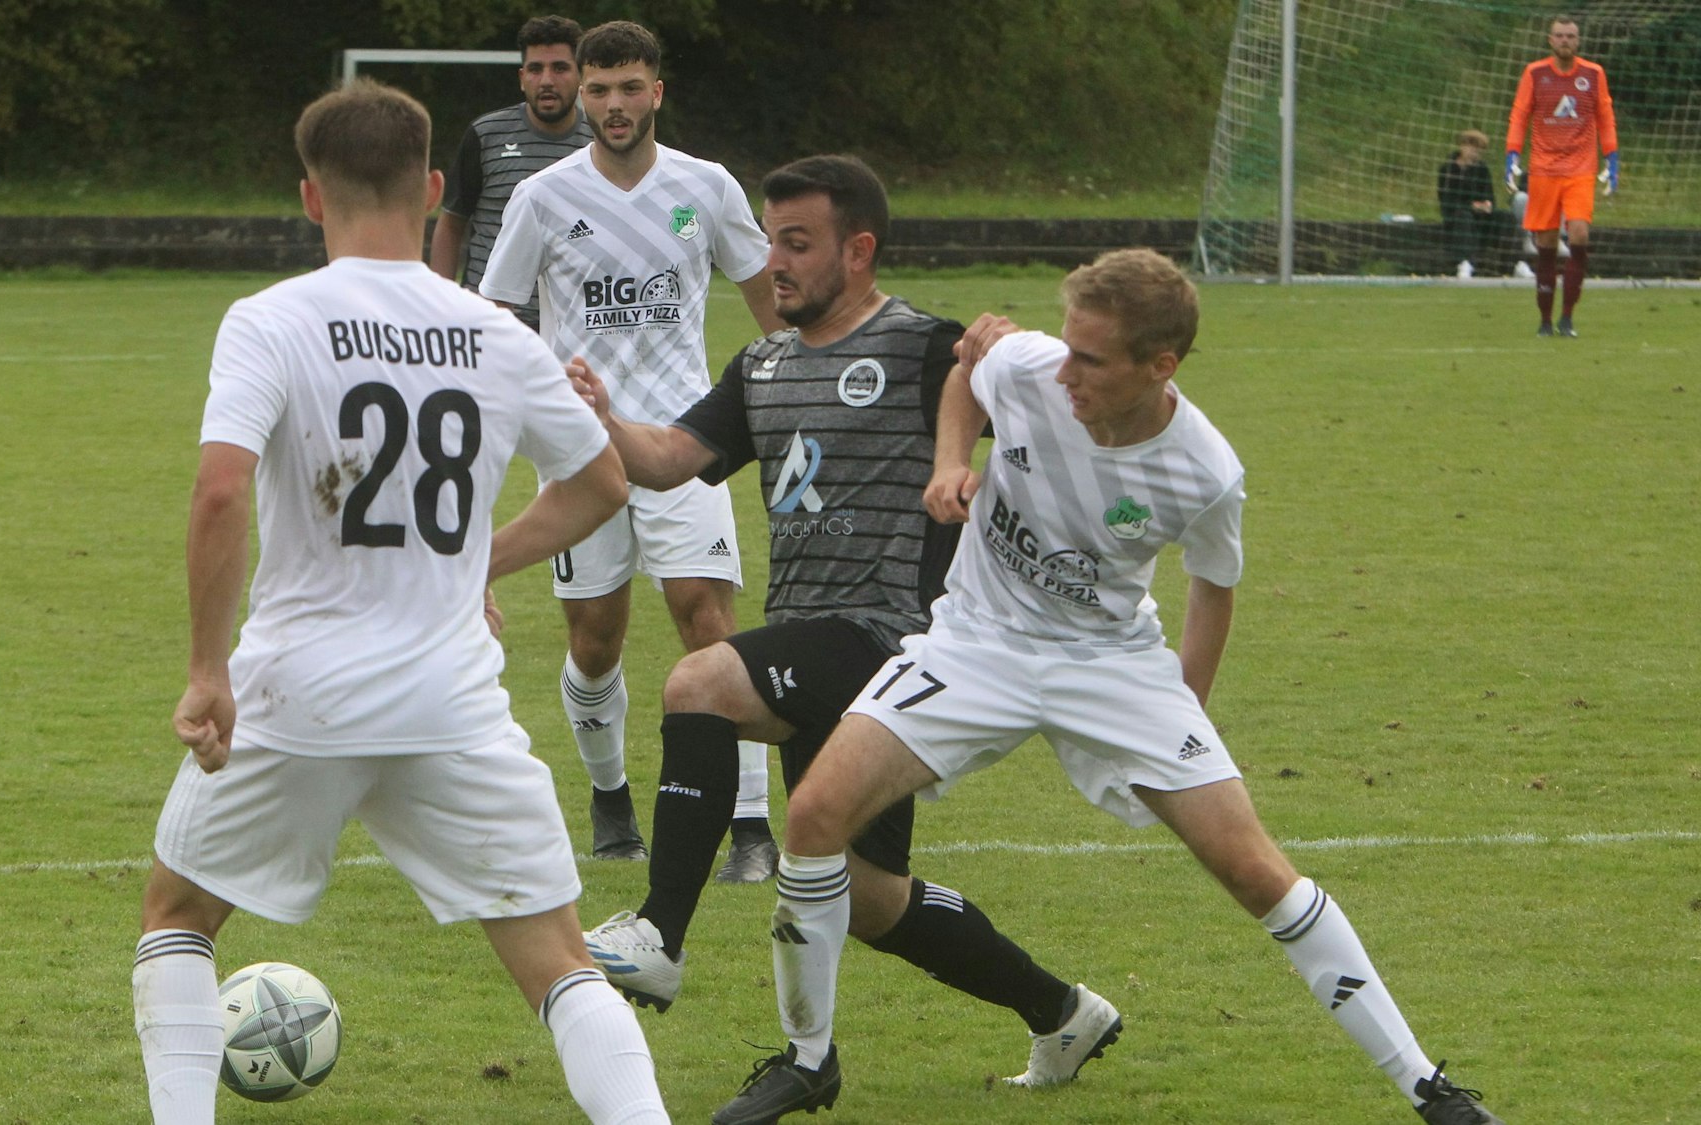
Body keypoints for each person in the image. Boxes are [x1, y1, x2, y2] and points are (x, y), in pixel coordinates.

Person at [717, 249, 1505, 1125]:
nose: (1067, 371)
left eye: (1092, 360)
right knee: (814, 814)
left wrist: (1184, 712)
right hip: (976, 641)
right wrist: (947, 462)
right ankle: (809, 1061)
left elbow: (1214, 588)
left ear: (1158, 366)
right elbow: (969, 374)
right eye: (1067, 347)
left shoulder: (1205, 471)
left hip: (1112, 663)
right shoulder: (1031, 365)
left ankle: (1430, 1088)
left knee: (1254, 870)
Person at [129, 78, 669, 1125]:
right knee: (559, 964)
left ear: (307, 197)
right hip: (450, 700)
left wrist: (205, 669)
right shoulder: (492, 333)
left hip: (300, 691)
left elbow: (220, 487)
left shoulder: (270, 318)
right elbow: (603, 483)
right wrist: (473, 567)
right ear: (431, 189)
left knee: (177, 917)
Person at [571, 154, 1122, 1096]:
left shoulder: (920, 348)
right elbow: (666, 462)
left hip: (893, 637)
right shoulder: (763, 365)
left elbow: (1065, 408)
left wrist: (1010, 370)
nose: (773, 262)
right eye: (767, 240)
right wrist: (607, 417)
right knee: (866, 898)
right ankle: (1065, 1013)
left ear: (858, 250)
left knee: (697, 680)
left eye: (797, 243)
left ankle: (659, 934)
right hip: (809, 643)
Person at [481, 20, 787, 869]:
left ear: (657, 91)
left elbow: (769, 304)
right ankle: (612, 802)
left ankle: (753, 825)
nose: (613, 105)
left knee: (710, 624)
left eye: (628, 88)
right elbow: (499, 318)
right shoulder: (543, 197)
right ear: (581, 94)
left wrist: (794, 398)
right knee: (595, 642)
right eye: (598, 89)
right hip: (581, 455)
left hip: (688, 440)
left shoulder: (708, 187)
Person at [428, 15, 593, 331]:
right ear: (521, 77)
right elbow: (451, 225)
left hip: (569, 329)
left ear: (580, 75)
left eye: (559, 68)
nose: (546, 80)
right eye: (535, 69)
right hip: (487, 323)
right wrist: (441, 307)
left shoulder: (599, 143)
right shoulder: (485, 135)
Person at [1505, 14, 1618, 337]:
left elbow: (1605, 118)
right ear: (1550, 41)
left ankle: (1567, 317)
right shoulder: (1535, 73)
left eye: (1571, 35)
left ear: (1577, 41)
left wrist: (1612, 158)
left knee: (1580, 235)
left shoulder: (1593, 74)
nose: (1565, 40)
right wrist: (1512, 153)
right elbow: (1520, 114)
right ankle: (1544, 320)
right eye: (1559, 35)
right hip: (1543, 170)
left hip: (1580, 169)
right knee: (1547, 243)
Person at [1436, 129, 1499, 278]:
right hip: (1456, 217)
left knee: (1506, 218)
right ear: (1462, 146)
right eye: (1473, 147)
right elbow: (1447, 201)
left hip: (1481, 216)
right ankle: (1464, 262)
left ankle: (1517, 263)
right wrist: (1471, 206)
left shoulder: (1482, 169)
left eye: (1479, 150)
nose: (1476, 153)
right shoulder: (1447, 170)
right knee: (1463, 216)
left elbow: (1490, 196)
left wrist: (1488, 205)